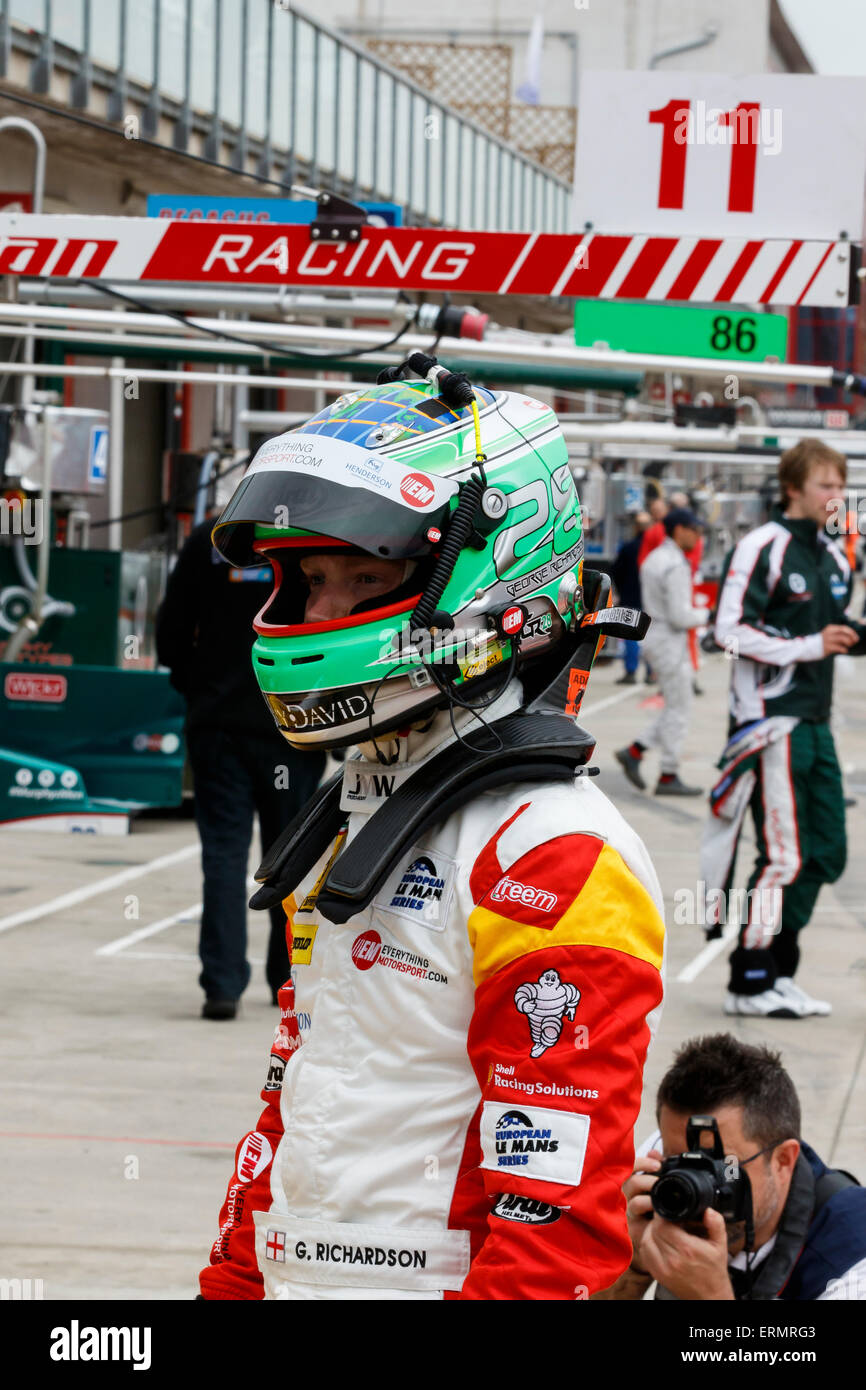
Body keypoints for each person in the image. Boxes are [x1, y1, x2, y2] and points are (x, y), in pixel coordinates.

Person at [197, 362, 665, 1300]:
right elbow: (296, 1110)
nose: (321, 615)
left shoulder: (554, 855)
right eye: (312, 580)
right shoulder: (360, 813)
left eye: (363, 578)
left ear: (488, 577)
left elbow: (554, 1229)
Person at [703, 439, 866, 1019]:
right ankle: (749, 979)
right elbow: (725, 633)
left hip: (818, 723)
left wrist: (848, 636)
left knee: (826, 854)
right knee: (784, 857)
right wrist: (808, 645)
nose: (836, 496)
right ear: (793, 488)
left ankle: (779, 970)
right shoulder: (760, 546)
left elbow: (835, 629)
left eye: (840, 485)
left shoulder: (835, 556)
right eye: (825, 485)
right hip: (769, 724)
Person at [156, 519, 324, 1019]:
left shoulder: (210, 542)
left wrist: (202, 693)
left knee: (224, 855)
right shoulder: (309, 542)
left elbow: (170, 634)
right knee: (290, 857)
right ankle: (287, 979)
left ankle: (222, 986)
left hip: (219, 725)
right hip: (291, 722)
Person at [596, 1034, 865, 1301]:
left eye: (723, 1167)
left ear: (783, 1160)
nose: (694, 1183)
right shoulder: (659, 1176)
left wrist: (711, 1296)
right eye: (682, 1163)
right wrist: (631, 1263)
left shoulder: (852, 1259)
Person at [616, 507, 706, 796]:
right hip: (671, 641)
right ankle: (668, 774)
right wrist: (708, 614)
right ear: (680, 529)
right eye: (696, 529)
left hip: (656, 637)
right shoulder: (675, 564)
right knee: (680, 710)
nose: (698, 536)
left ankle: (635, 750)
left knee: (674, 707)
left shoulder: (655, 558)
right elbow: (681, 616)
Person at [610, 510, 650, 685]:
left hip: (630, 597)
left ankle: (631, 672)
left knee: (631, 636)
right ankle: (651, 672)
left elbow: (616, 571)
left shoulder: (628, 547)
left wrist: (622, 589)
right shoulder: (655, 550)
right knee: (650, 636)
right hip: (650, 599)